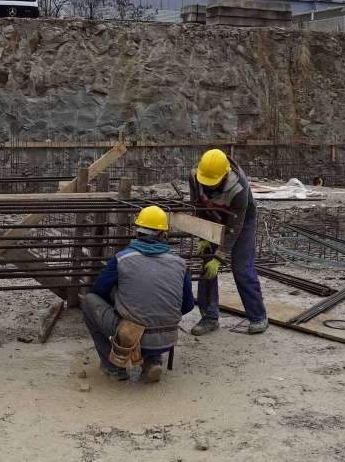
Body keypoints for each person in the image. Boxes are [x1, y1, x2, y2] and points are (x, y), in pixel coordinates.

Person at [81, 206, 195, 383]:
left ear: (137, 232)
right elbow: (188, 305)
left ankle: (115, 367)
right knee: (152, 311)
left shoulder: (123, 259)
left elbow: (98, 291)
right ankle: (152, 361)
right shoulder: (179, 263)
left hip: (132, 336)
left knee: (89, 301)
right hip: (168, 338)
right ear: (163, 234)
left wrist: (120, 300)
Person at [188, 149, 268, 335]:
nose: (208, 187)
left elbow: (234, 228)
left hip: (240, 221)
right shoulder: (194, 175)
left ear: (224, 175)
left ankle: (258, 316)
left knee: (241, 268)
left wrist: (220, 256)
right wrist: (203, 236)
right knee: (207, 265)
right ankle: (209, 317)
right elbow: (197, 206)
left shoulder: (239, 188)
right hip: (211, 215)